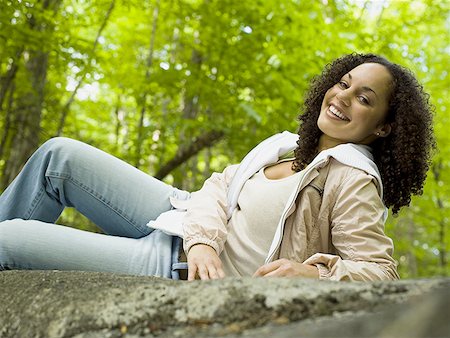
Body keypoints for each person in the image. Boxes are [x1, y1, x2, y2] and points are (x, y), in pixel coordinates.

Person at [0, 53, 435, 281]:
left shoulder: (351, 177)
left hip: (175, 266)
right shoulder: (287, 148)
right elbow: (218, 185)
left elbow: (378, 270)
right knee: (60, 156)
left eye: (364, 98)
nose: (342, 96)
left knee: (9, 239)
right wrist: (202, 240)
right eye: (343, 83)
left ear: (384, 127)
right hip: (186, 223)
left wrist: (312, 271)